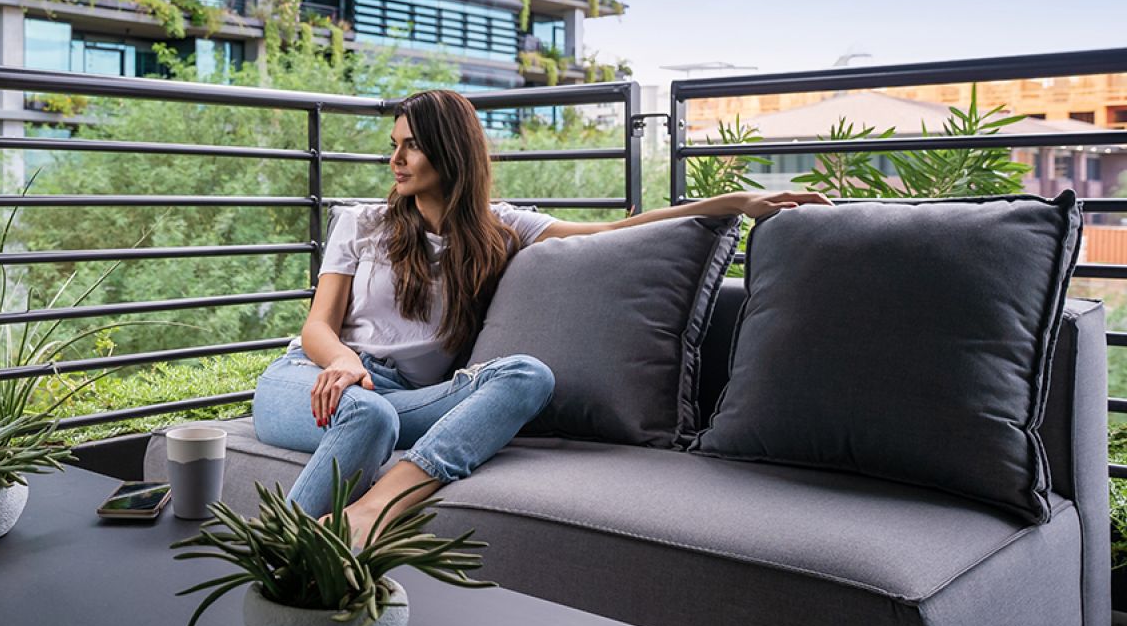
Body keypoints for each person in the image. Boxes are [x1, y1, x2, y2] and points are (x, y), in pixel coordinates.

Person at [251, 89, 830, 546]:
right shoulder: (362, 221)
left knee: (528, 375)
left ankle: (379, 505)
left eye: (411, 146)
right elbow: (317, 325)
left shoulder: (501, 227)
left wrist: (736, 205)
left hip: (406, 403)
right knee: (369, 418)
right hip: (315, 382)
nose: (395, 159)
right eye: (394, 144)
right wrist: (344, 363)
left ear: (451, 153)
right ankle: (284, 551)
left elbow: (611, 233)